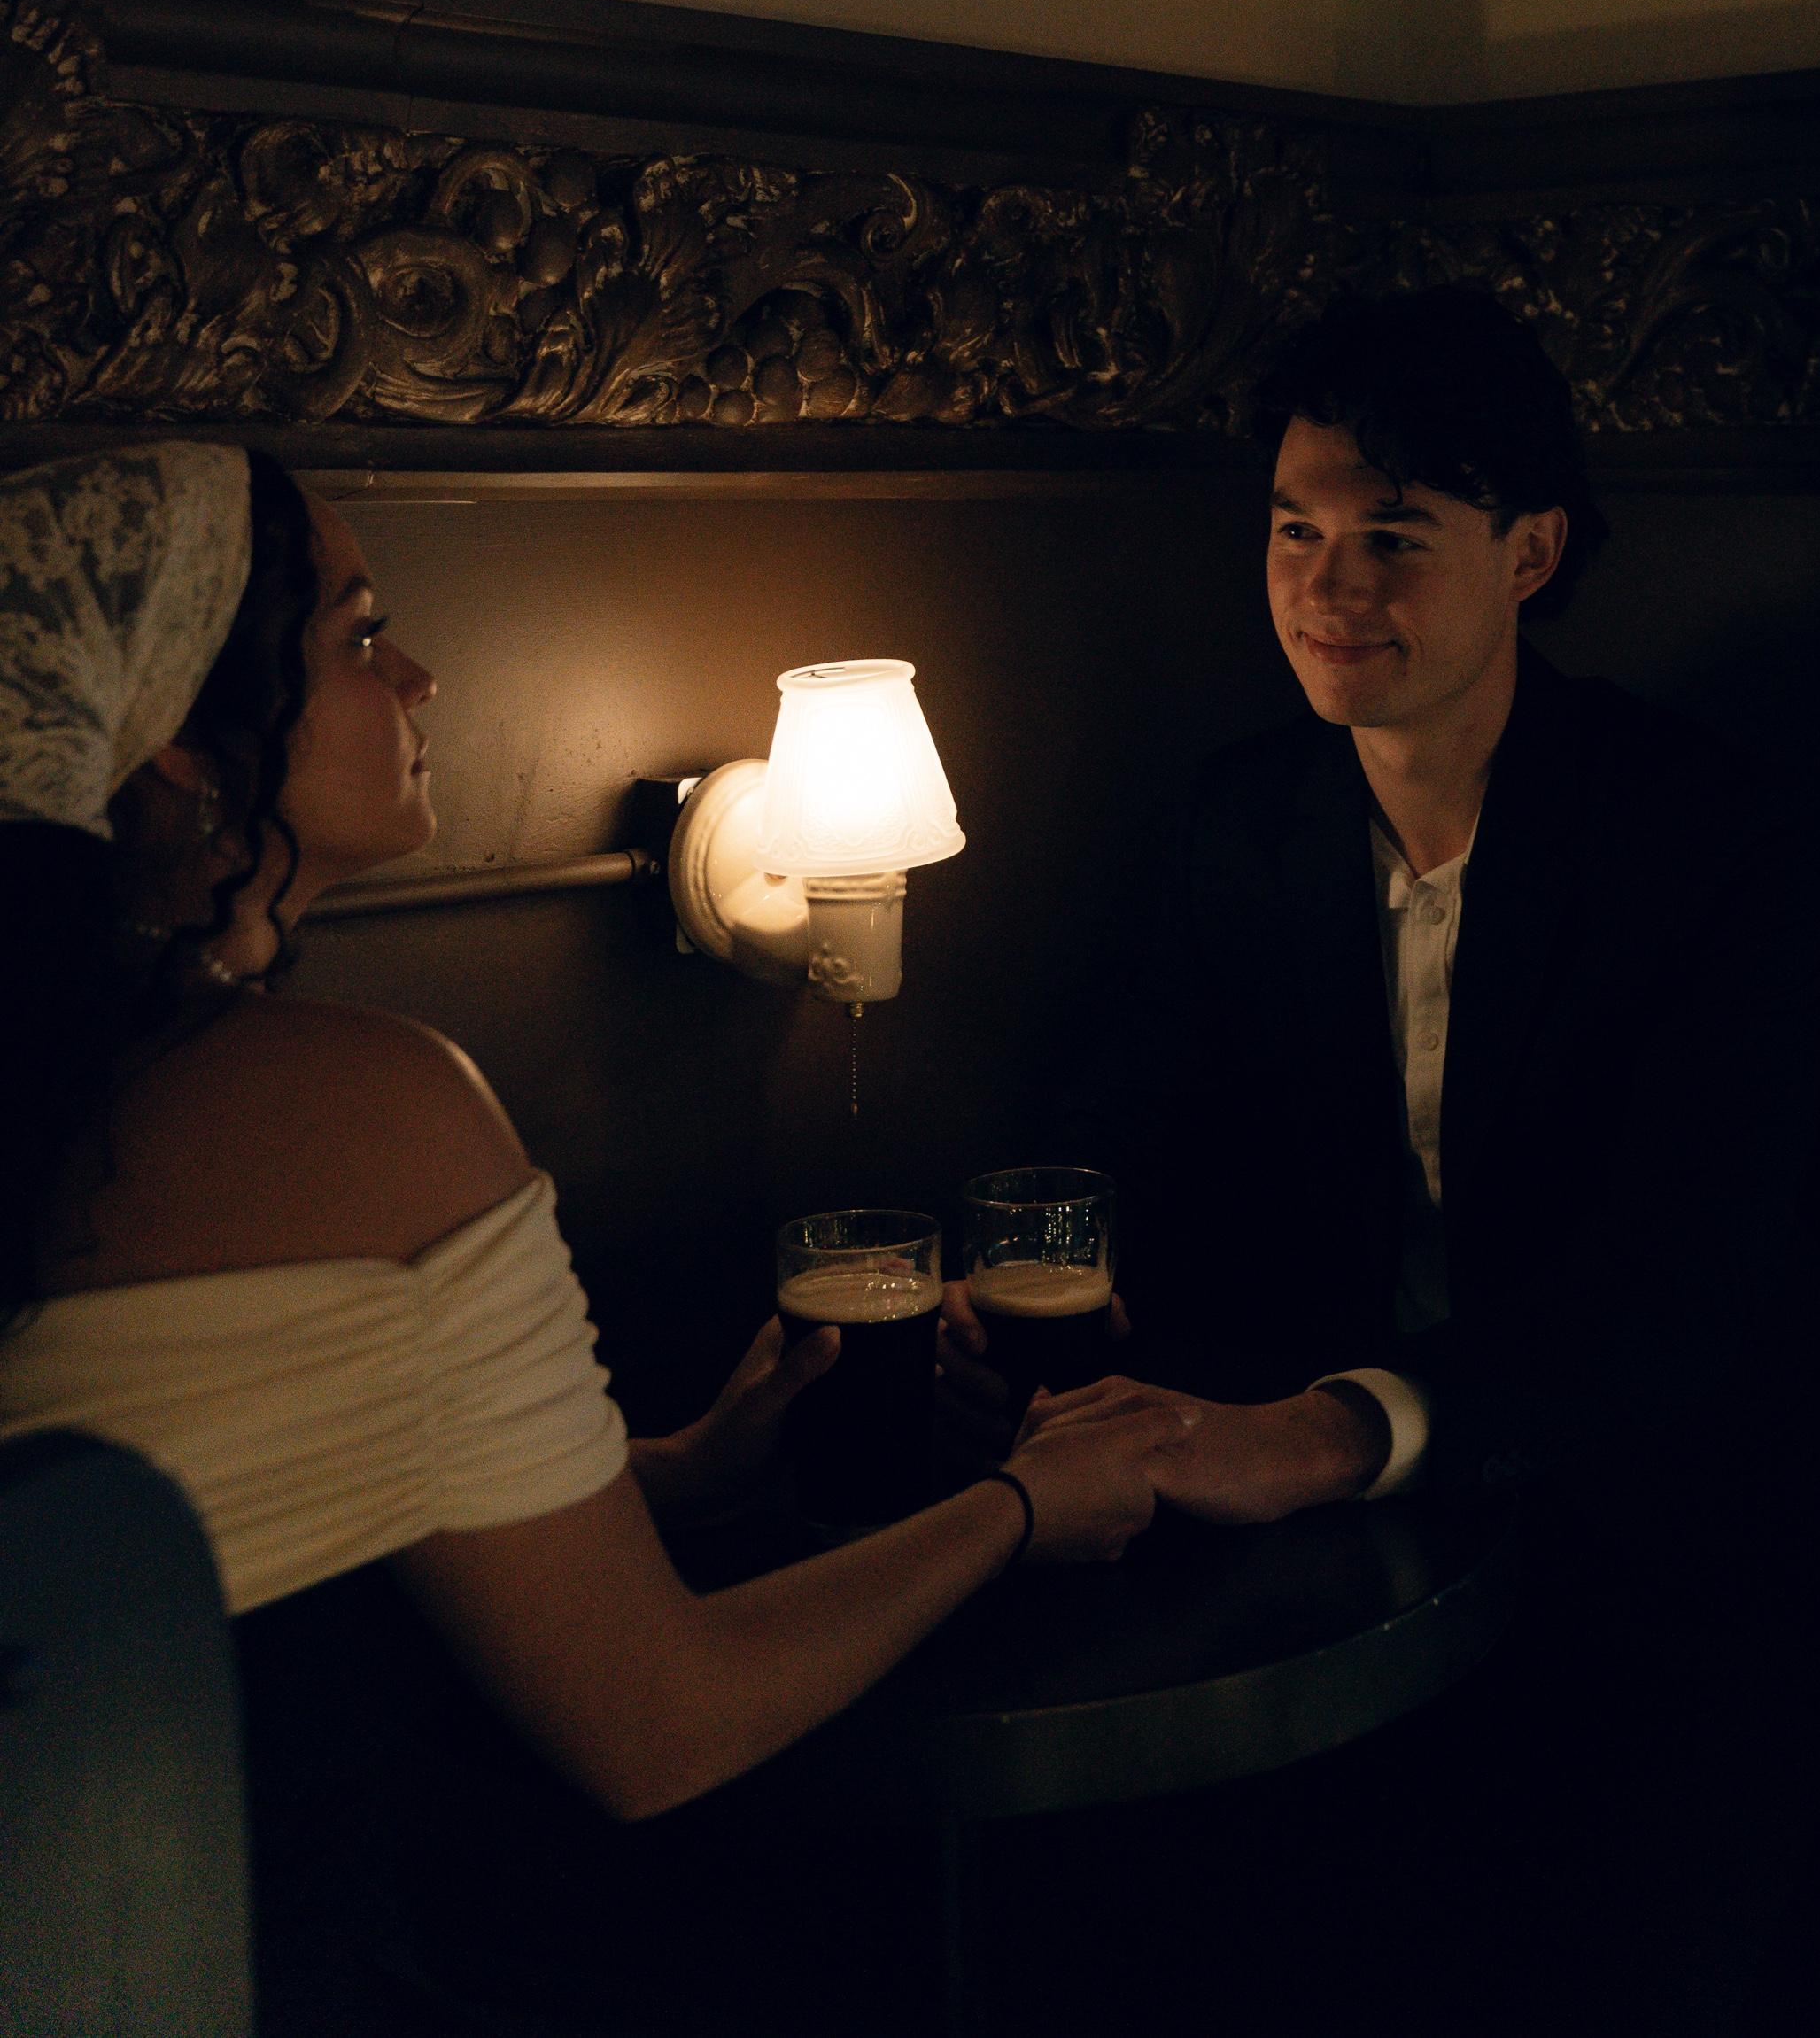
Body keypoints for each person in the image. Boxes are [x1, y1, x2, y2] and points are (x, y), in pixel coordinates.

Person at [0, 443, 1193, 2036]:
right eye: (360, 635)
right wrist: (1023, 1505)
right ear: (177, 748)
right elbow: (658, 1727)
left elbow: (242, 1486)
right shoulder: (366, 1109)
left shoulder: (54, 1088)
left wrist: (675, 1474)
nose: (420, 678)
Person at [942, 285, 1820, 2034]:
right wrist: (1039, 1284)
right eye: (1295, 530)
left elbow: (1687, 1285)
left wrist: (1332, 1430)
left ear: (1528, 552)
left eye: (1393, 535)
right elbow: (1125, 1120)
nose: (1328, 585)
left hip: (1657, 1529)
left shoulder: (1701, 834)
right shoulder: (1248, 818)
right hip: (1346, 1544)